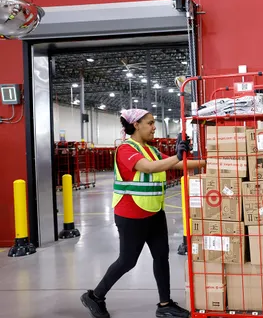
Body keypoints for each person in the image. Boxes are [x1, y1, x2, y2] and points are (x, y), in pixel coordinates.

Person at [80, 109, 204, 318]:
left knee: (161, 256)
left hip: (154, 211)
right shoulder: (126, 149)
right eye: (150, 123)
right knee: (127, 261)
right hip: (131, 214)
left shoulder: (151, 150)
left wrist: (206, 162)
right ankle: (95, 296)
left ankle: (165, 305)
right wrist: (176, 155)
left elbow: (177, 163)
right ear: (136, 125)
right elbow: (148, 168)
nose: (154, 127)